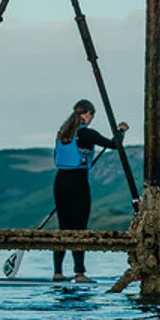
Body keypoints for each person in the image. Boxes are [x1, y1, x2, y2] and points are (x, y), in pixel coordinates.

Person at [52, 98, 127, 282]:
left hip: (60, 181)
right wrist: (121, 131)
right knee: (79, 228)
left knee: (63, 228)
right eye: (91, 114)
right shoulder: (86, 133)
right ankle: (79, 273)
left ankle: (57, 272)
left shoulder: (62, 134)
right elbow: (113, 145)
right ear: (87, 114)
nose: (91, 118)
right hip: (78, 182)